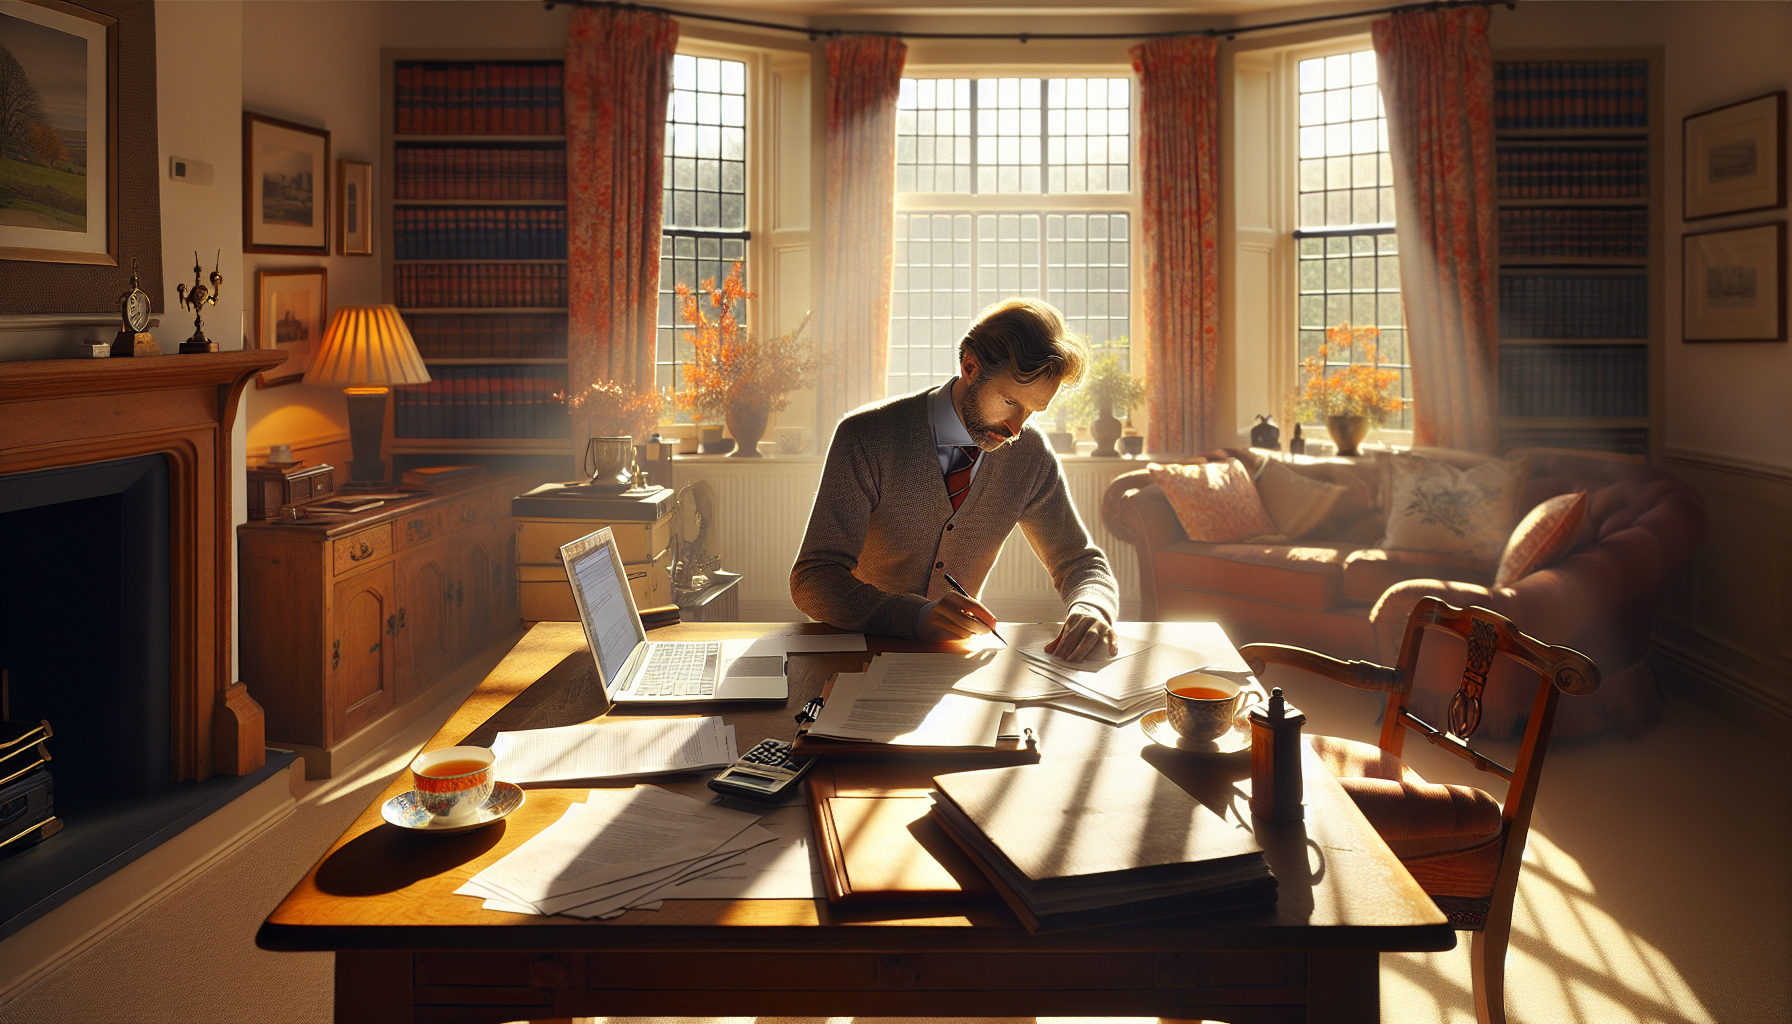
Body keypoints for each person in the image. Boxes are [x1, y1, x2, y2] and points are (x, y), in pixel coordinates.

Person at [790, 298, 1119, 662]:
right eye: (1010, 401)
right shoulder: (866, 436)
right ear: (970, 367)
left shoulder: (1029, 454)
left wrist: (1092, 609)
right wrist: (915, 617)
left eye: (1032, 410)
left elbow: (1080, 563)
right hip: (855, 654)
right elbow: (814, 579)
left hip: (947, 664)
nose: (1016, 428)